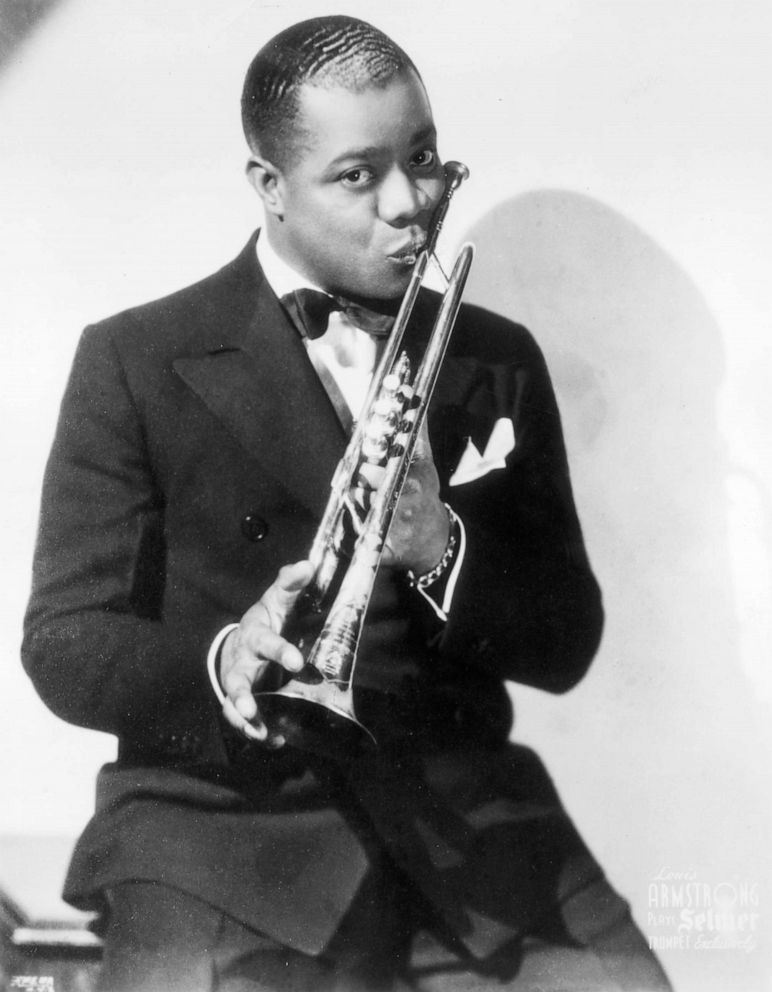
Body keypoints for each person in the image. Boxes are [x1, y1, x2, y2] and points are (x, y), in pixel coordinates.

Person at [22, 15, 672, 992]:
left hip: (468, 831)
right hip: (222, 831)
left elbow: (565, 639)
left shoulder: (495, 357)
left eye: (421, 156)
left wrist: (440, 544)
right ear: (269, 188)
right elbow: (64, 638)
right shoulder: (135, 357)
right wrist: (225, 655)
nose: (411, 203)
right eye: (358, 175)